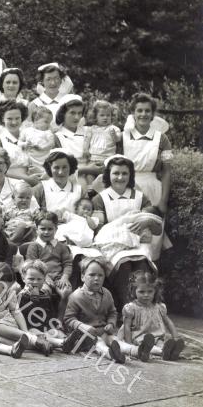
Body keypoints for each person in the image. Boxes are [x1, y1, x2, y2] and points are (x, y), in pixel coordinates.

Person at [91, 156, 157, 311]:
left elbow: (151, 221)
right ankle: (127, 309)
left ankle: (145, 308)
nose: (120, 177)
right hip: (113, 242)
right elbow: (98, 225)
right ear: (108, 175)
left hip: (137, 241)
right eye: (116, 173)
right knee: (124, 266)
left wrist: (145, 223)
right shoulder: (100, 198)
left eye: (124, 173)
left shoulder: (140, 197)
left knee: (142, 264)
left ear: (130, 175)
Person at [64, 257, 136, 364]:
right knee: (99, 342)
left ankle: (137, 351)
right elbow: (69, 319)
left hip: (103, 331)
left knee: (114, 340)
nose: (96, 278)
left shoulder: (107, 294)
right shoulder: (76, 296)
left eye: (100, 275)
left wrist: (111, 323)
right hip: (85, 336)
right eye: (92, 275)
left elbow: (112, 312)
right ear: (83, 276)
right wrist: (82, 326)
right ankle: (111, 354)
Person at [0, 262, 53, 355]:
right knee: (1, 340)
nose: (5, 289)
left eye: (8, 286)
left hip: (6, 324)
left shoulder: (9, 292)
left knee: (0, 328)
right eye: (3, 286)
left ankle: (39, 340)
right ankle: (46, 343)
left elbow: (16, 312)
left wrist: (25, 331)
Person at [117, 270, 185, 361]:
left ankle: (168, 351)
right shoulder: (131, 308)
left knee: (163, 344)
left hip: (157, 337)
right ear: (134, 291)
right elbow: (126, 326)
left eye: (150, 291)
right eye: (141, 292)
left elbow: (168, 322)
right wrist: (129, 344)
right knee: (150, 347)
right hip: (139, 337)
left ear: (155, 291)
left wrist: (175, 337)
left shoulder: (159, 307)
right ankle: (162, 353)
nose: (146, 295)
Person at [123, 93, 172, 215]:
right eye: (139, 110)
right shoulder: (124, 135)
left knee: (151, 228)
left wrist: (163, 201)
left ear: (152, 114)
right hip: (125, 186)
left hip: (152, 189)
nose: (143, 114)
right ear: (133, 113)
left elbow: (167, 171)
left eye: (147, 111)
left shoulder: (162, 139)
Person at [26, 210, 73, 319]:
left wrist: (65, 277)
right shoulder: (34, 246)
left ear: (56, 229)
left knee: (66, 292)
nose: (46, 232)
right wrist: (45, 278)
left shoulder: (61, 246)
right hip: (40, 278)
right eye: (43, 229)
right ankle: (45, 319)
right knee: (43, 291)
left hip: (58, 278)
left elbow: (67, 263)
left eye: (50, 229)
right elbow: (32, 265)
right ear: (36, 229)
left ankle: (59, 320)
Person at [0, 100, 44, 186]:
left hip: (34, 181)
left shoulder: (29, 136)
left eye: (17, 118)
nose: (14, 122)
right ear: (2, 119)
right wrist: (26, 179)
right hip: (9, 183)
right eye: (9, 119)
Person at [82, 100, 121, 182]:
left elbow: (118, 139)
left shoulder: (113, 128)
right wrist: (85, 150)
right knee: (89, 175)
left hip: (108, 160)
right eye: (102, 115)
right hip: (93, 159)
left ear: (112, 116)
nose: (105, 117)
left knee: (106, 178)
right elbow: (86, 141)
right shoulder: (92, 129)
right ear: (95, 116)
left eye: (108, 115)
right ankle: (90, 189)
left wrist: (114, 136)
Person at [20, 106, 56, 173]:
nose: (49, 125)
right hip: (29, 158)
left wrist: (42, 148)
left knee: (44, 169)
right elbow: (19, 142)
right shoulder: (26, 131)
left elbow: (51, 144)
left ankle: (42, 173)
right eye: (46, 122)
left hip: (42, 158)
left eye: (50, 122)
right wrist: (25, 144)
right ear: (36, 120)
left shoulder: (47, 132)